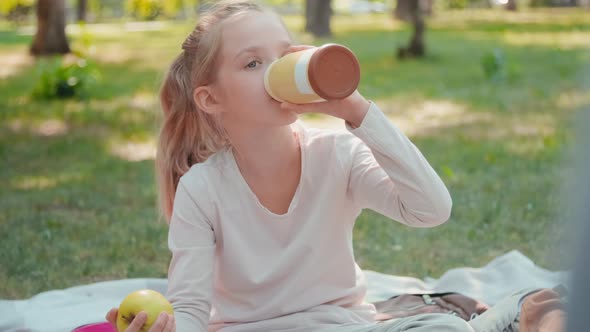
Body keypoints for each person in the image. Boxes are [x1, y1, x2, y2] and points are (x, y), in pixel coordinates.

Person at [104, 1, 562, 331]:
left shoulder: (337, 154)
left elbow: (431, 209)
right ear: (211, 99)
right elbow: (190, 310)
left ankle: (514, 316)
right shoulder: (203, 189)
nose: (273, 72)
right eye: (252, 63)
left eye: (282, 56)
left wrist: (358, 112)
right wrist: (162, 328)